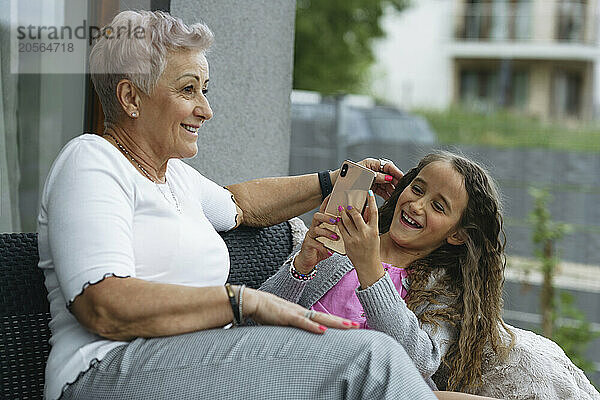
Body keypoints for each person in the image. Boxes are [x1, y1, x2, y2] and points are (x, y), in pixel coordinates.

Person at [37, 10, 439, 400]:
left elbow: (240, 204)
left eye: (204, 90)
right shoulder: (91, 162)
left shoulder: (174, 176)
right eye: (187, 89)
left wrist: (337, 180)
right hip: (106, 371)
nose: (206, 110)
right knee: (372, 359)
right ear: (130, 97)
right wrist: (240, 301)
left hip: (193, 360)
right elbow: (102, 305)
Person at [261, 152, 600, 399]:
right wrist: (302, 265)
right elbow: (255, 317)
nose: (417, 205)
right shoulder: (339, 242)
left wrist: (370, 270)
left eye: (439, 206)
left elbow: (422, 360)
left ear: (457, 235)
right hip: (298, 371)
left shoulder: (441, 290)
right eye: (417, 189)